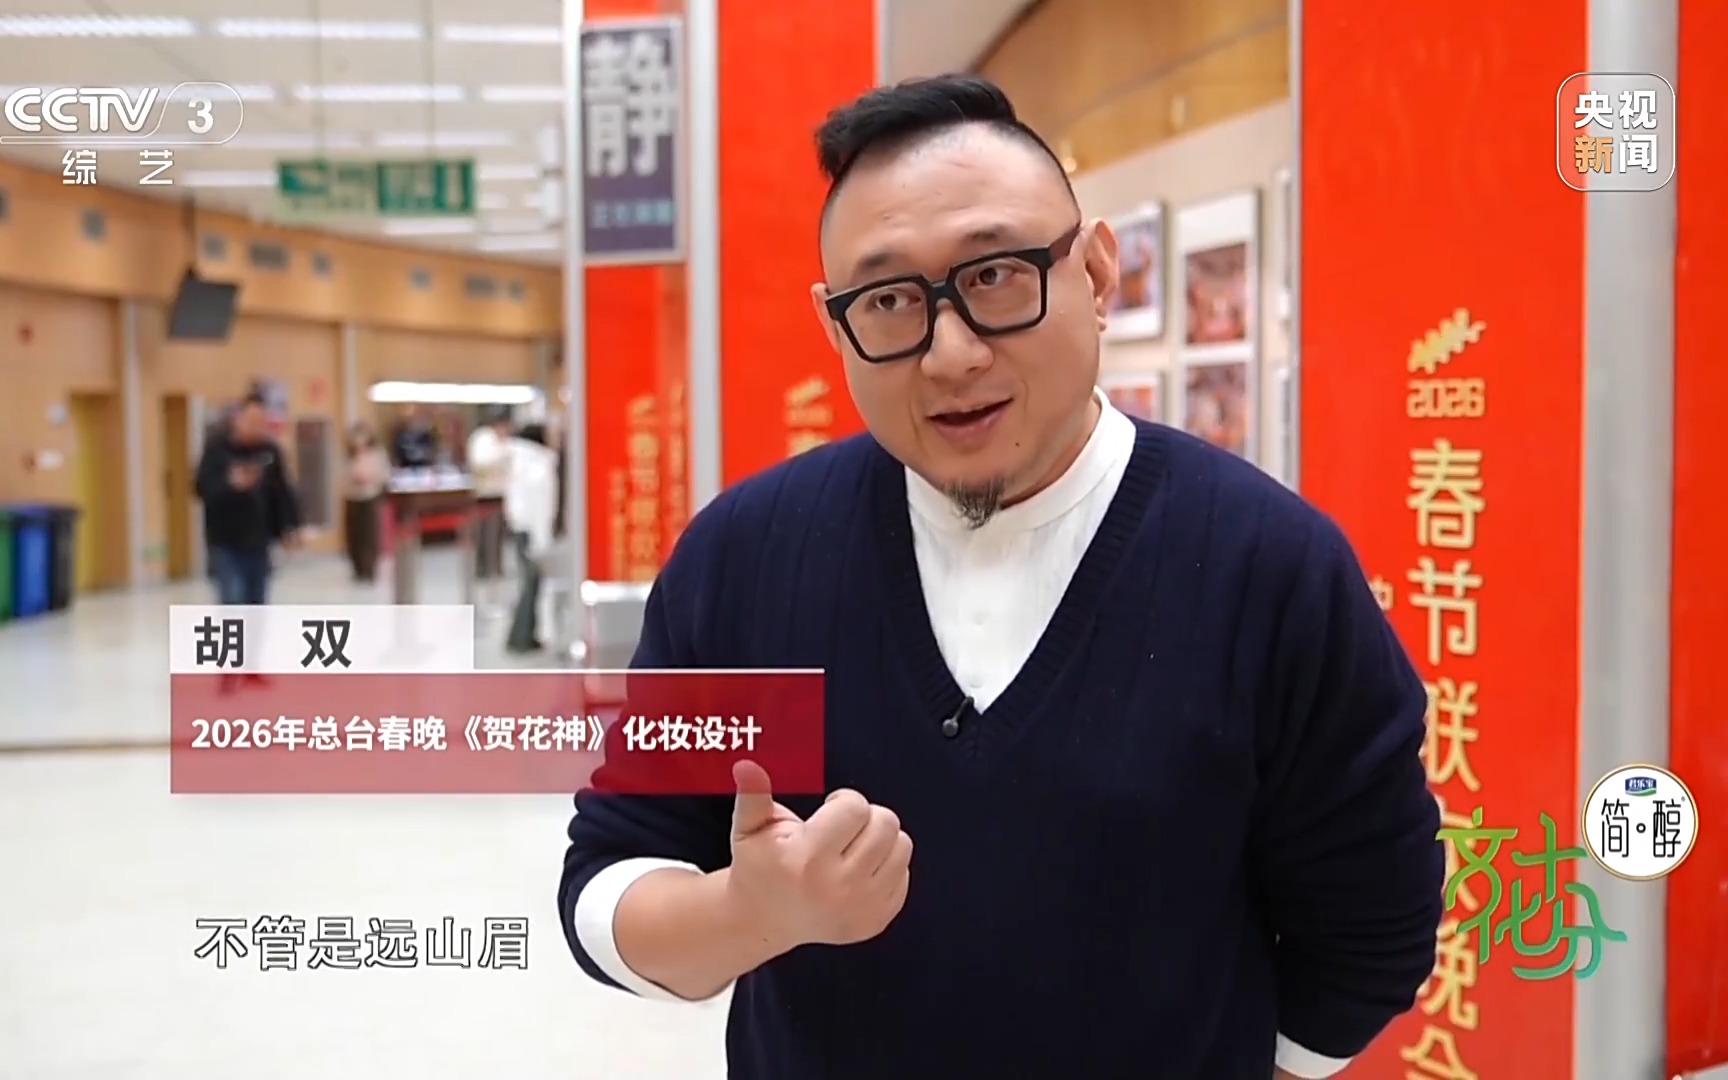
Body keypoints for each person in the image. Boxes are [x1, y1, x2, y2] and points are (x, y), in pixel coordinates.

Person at [557, 75, 1441, 1080]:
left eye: (995, 277)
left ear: (1097, 273)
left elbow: (1373, 919)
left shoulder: (1268, 566)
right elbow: (608, 878)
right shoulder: (747, 558)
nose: (950, 354)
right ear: (835, 325)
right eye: (889, 301)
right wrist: (747, 914)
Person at [193, 393, 301, 606]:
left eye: (262, 422)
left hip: (259, 541)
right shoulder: (217, 450)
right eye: (252, 421)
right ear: (238, 420)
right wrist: (231, 486)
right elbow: (201, 488)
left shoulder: (270, 452)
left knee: (256, 601)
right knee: (233, 598)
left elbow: (281, 491)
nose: (257, 427)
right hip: (225, 542)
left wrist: (291, 526)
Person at [503, 422, 558, 652]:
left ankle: (524, 634)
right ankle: (522, 636)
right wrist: (541, 543)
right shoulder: (539, 466)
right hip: (533, 532)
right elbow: (541, 508)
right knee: (531, 584)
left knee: (528, 583)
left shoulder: (519, 462)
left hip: (520, 528)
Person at [465, 409, 514, 579]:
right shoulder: (482, 439)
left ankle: (496, 566)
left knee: (498, 534)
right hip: (484, 495)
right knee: (484, 533)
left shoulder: (505, 441)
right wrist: (502, 456)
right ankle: (482, 567)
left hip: (501, 493)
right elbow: (480, 462)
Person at [343, 422, 390, 583]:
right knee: (354, 535)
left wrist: (370, 479)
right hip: (352, 496)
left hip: (370, 495)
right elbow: (341, 474)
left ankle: (369, 569)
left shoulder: (377, 453)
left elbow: (383, 473)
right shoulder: (348, 456)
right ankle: (357, 569)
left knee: (370, 535)